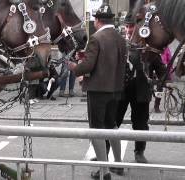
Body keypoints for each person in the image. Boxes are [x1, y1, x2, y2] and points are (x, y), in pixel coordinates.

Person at [68, 4, 126, 180]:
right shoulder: (120, 38)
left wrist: (74, 67)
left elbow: (89, 66)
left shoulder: (96, 38)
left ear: (98, 21)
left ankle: (104, 171)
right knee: (112, 126)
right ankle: (118, 164)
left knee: (96, 129)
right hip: (115, 89)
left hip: (98, 90)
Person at [108, 12, 166, 164]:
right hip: (120, 90)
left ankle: (139, 152)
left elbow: (160, 69)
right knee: (113, 122)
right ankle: (104, 153)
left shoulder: (148, 46)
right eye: (127, 26)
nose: (128, 29)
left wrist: (164, 80)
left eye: (132, 26)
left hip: (141, 89)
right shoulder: (118, 43)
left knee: (140, 123)